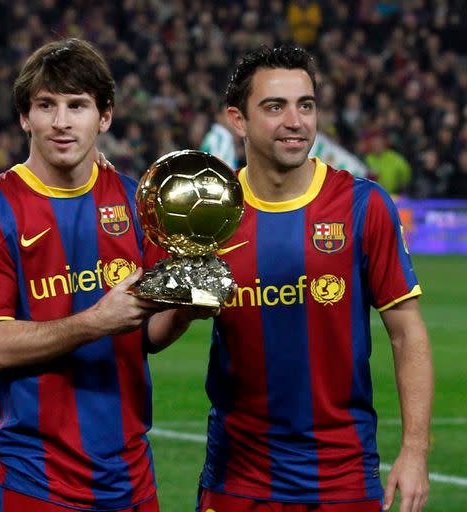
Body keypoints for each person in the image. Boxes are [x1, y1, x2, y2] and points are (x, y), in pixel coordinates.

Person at [0, 38, 210, 512]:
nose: (62, 122)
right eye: (46, 105)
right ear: (25, 117)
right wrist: (96, 320)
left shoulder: (137, 204)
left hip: (129, 477)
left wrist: (187, 308)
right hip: (29, 478)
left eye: (78, 105)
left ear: (104, 116)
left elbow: (147, 332)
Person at [198, 46, 433, 512]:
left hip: (343, 476)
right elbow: (161, 331)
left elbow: (408, 335)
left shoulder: (363, 205)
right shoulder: (211, 214)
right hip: (238, 477)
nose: (296, 121)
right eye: (274, 106)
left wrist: (414, 451)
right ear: (237, 120)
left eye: (306, 105)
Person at [200, 99, 238, 170]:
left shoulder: (217, 136)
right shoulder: (220, 139)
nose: (232, 118)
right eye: (228, 115)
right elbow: (218, 169)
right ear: (219, 117)